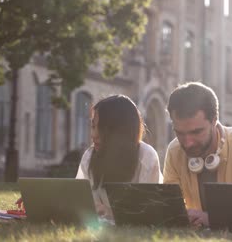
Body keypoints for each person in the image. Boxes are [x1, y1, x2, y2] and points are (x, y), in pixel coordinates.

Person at [17, 94, 162, 220]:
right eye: (93, 126)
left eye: (101, 128)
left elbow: (149, 212)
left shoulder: (146, 156)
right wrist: (43, 201)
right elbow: (77, 200)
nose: (93, 135)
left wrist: (108, 211)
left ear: (119, 131)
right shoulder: (90, 156)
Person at [163, 82, 232, 227]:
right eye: (179, 133)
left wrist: (212, 219)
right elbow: (171, 205)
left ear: (214, 120)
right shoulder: (174, 150)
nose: (187, 143)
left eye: (196, 132)